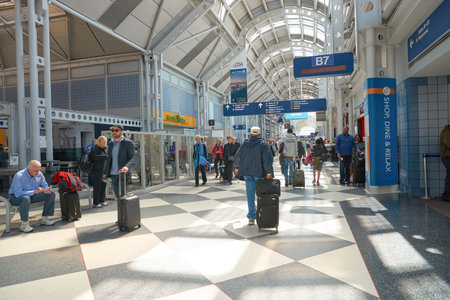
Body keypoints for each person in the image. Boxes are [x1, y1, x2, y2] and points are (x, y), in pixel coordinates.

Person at [234, 126, 273, 226]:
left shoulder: (245, 144)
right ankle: (262, 214)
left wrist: (236, 167)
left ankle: (251, 217)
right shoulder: (263, 144)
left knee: (250, 195)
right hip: (259, 173)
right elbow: (267, 160)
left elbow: (238, 156)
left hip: (247, 173)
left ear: (250, 134)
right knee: (262, 195)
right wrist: (269, 172)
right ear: (259, 134)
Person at [8, 160, 56, 233]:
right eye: (35, 171)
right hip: (16, 197)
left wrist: (47, 190)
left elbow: (44, 186)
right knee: (25, 198)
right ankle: (24, 224)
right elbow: (18, 193)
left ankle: (44, 219)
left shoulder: (39, 174)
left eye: (38, 170)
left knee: (51, 194)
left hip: (32, 195)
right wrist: (34, 191)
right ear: (29, 169)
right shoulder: (19, 175)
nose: (37, 173)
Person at [105, 124, 136, 201]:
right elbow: (109, 159)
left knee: (122, 195)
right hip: (113, 173)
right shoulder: (111, 144)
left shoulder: (128, 143)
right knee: (117, 195)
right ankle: (121, 211)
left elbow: (132, 157)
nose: (114, 132)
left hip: (123, 173)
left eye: (116, 130)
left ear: (122, 132)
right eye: (112, 130)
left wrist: (127, 167)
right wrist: (106, 172)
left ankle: (124, 212)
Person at [89, 136, 108, 208]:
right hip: (97, 170)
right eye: (103, 142)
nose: (104, 143)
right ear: (99, 142)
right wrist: (104, 156)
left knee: (103, 185)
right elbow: (94, 157)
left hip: (103, 170)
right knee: (97, 186)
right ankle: (96, 202)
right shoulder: (95, 148)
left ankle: (102, 200)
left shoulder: (104, 149)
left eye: (105, 142)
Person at [440, 122, 450, 202]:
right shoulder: (446, 131)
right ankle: (447, 195)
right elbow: (449, 144)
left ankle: (446, 194)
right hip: (447, 157)